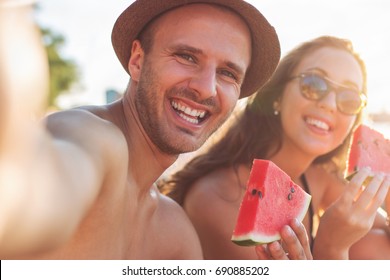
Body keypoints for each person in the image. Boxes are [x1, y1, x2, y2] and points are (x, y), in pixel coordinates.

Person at [0, 0, 281, 259]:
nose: (206, 88)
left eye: (228, 73)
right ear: (137, 61)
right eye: (186, 56)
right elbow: (30, 201)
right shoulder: (95, 138)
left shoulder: (175, 233)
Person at [160, 36, 390, 260]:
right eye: (314, 84)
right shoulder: (217, 199)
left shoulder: (318, 177)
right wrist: (331, 248)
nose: (329, 105)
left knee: (375, 242)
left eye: (349, 99)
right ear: (278, 95)